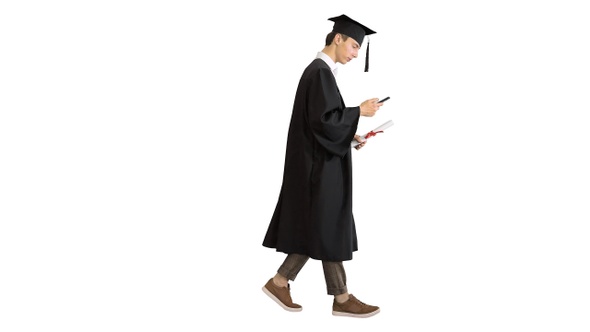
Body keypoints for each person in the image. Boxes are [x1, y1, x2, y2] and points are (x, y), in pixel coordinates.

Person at [261, 14, 385, 318]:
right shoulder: (319, 73)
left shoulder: (321, 73)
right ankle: (341, 299)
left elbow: (322, 122)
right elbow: (324, 122)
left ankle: (281, 282)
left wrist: (351, 136)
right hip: (316, 169)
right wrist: (359, 111)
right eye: (354, 45)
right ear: (338, 38)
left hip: (316, 164)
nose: (356, 54)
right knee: (327, 226)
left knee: (319, 227)